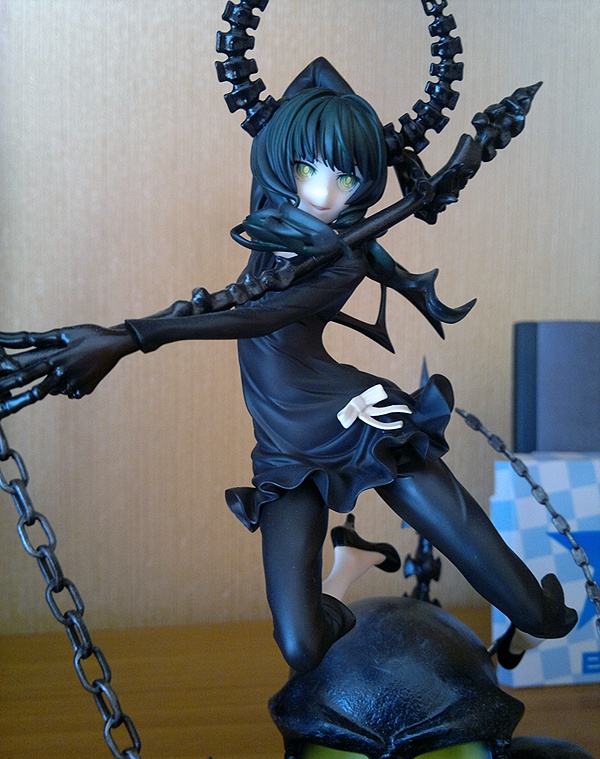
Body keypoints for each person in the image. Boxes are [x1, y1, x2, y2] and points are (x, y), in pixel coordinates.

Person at [0, 63, 576, 672]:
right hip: (283, 447)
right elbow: (316, 76)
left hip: (356, 420)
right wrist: (343, 131)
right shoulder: (272, 215)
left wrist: (130, 338)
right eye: (308, 170)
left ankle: (535, 624)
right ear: (282, 164)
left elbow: (252, 319)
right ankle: (350, 566)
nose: (324, 195)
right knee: (301, 645)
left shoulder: (344, 261)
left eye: (346, 179)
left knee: (506, 583)